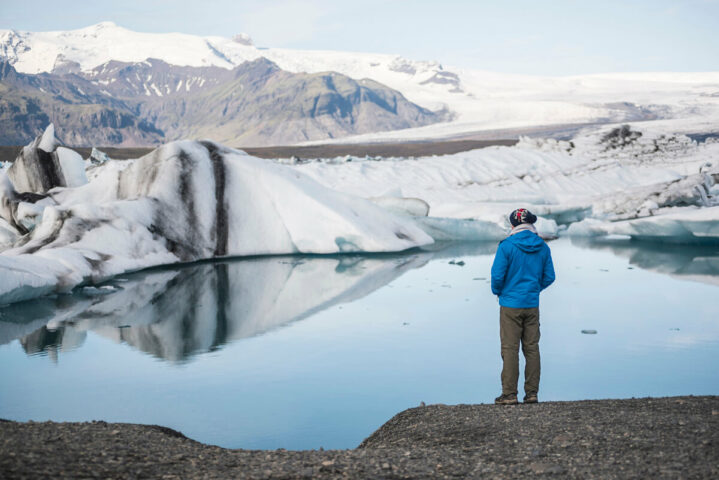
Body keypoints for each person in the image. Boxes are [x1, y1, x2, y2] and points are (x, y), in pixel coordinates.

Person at [490, 208, 555, 405]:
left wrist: (500, 292)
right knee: (532, 348)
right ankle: (532, 394)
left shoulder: (506, 246)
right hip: (531, 304)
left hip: (510, 305)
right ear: (532, 223)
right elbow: (549, 277)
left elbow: (497, 277)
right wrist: (533, 290)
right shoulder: (542, 246)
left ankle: (509, 394)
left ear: (512, 225)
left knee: (510, 349)